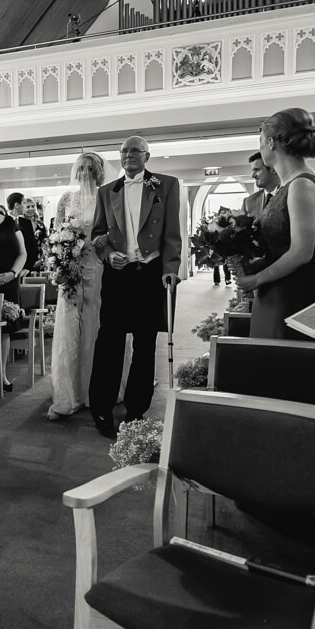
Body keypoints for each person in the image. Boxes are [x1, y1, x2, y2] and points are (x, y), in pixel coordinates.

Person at [89, 136, 181, 436]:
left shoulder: (166, 185)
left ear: (147, 155)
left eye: (135, 151)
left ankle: (136, 408)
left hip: (150, 273)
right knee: (109, 343)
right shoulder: (107, 191)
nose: (129, 155)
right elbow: (97, 234)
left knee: (145, 344)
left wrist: (171, 270)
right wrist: (108, 254)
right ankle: (101, 408)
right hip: (118, 275)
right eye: (124, 151)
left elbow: (172, 233)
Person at [235, 108, 315, 340]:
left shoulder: (301, 185)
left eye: (260, 142)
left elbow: (300, 252)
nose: (260, 147)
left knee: (282, 363)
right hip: (275, 289)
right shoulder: (288, 186)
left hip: (292, 293)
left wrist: (255, 279)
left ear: (270, 142)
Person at [47, 152, 108, 421]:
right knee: (70, 326)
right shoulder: (66, 199)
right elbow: (57, 233)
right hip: (70, 270)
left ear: (99, 172)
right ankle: (69, 393)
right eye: (81, 167)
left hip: (96, 267)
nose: (85, 172)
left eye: (90, 168)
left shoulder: (106, 197)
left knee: (95, 324)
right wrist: (58, 264)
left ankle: (96, 389)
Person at [8, 192, 40, 271]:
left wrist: (28, 268)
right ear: (17, 205)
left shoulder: (26, 223)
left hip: (26, 269)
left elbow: (32, 247)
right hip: (10, 269)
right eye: (24, 203)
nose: (25, 206)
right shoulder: (4, 222)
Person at [242, 151, 279, 219]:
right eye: (253, 171)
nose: (253, 176)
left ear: (273, 169)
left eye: (257, 170)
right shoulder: (248, 202)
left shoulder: (289, 195)